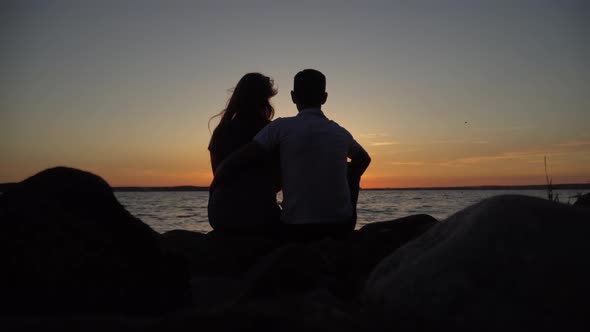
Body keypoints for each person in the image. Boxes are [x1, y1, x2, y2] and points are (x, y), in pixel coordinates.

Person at [211, 69, 371, 241]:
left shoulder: (277, 128)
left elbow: (237, 160)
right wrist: (349, 186)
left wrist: (217, 180)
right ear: (324, 98)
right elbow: (364, 159)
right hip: (341, 225)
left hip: (292, 227)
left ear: (293, 97)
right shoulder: (340, 132)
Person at [207, 73, 281, 233]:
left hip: (219, 213)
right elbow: (279, 179)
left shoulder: (221, 130)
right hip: (259, 215)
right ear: (264, 99)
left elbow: (217, 172)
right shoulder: (271, 132)